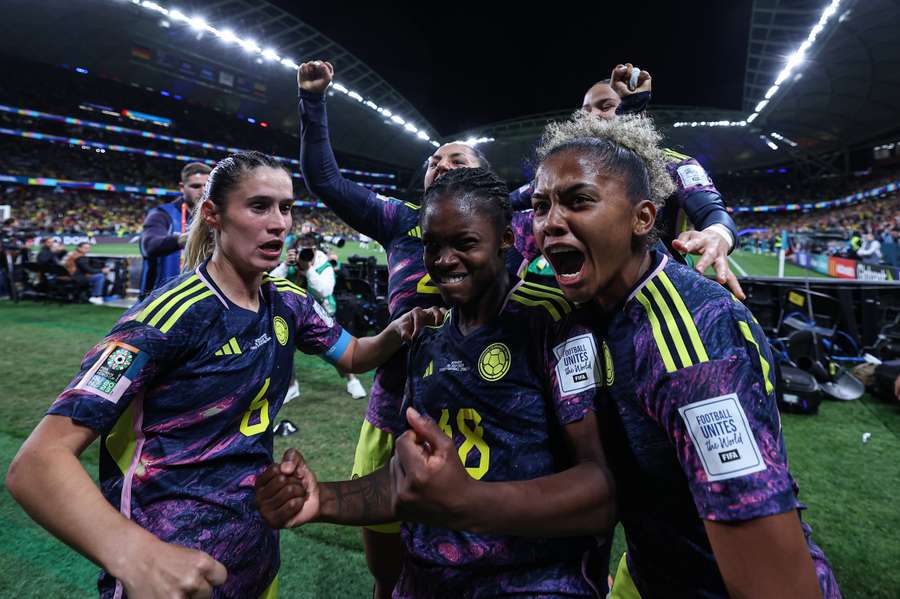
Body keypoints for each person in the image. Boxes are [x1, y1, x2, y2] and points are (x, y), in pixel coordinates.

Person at [297, 58, 740, 596]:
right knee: (393, 563)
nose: (443, 163)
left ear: (504, 231)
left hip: (520, 405)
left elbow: (596, 171)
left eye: (458, 157)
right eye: (435, 159)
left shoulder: (542, 286)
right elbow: (325, 180)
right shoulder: (400, 221)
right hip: (399, 398)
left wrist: (634, 118)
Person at [5, 151, 441, 599]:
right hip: (171, 573)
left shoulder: (288, 301)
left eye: (286, 208)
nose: (279, 223)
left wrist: (398, 330)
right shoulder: (166, 318)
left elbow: (354, 356)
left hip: (257, 559)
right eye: (259, 206)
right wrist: (135, 553)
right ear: (212, 215)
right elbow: (37, 464)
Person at [255, 167, 615, 598]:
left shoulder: (554, 323)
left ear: (506, 240)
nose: (444, 260)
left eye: (464, 243)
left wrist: (470, 502)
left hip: (531, 585)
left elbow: (603, 491)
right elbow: (408, 484)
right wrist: (322, 499)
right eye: (432, 245)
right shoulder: (427, 338)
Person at [526, 111, 840, 598]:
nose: (550, 223)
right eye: (540, 206)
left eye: (578, 201)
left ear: (643, 218)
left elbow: (775, 584)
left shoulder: (693, 342)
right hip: (649, 570)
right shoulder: (588, 309)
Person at [513, 63, 743, 299]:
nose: (592, 116)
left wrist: (717, 235)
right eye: (585, 110)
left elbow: (711, 210)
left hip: (657, 297)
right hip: (585, 298)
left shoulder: (672, 165)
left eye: (606, 106)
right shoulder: (563, 175)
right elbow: (505, 203)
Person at [271, 233, 367, 401]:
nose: (307, 255)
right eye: (302, 251)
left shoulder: (324, 265)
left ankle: (352, 380)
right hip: (294, 314)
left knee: (333, 351)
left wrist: (308, 269)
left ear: (316, 250)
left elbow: (324, 291)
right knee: (285, 351)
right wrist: (285, 265)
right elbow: (270, 283)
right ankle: (292, 386)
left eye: (310, 251)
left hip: (320, 315)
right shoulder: (291, 264)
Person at [139, 162, 211, 299]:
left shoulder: (215, 217)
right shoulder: (162, 214)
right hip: (157, 301)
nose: (202, 191)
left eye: (207, 186)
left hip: (197, 299)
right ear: (182, 188)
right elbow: (149, 245)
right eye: (195, 186)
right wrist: (193, 237)